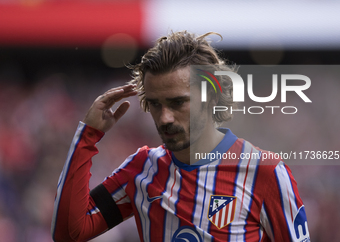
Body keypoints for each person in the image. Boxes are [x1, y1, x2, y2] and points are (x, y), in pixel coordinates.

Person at [51, 31, 310, 242]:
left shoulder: (265, 172)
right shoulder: (142, 169)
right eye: (155, 104)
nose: (164, 118)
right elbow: (69, 233)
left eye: (178, 103)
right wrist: (88, 135)